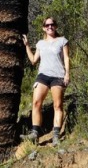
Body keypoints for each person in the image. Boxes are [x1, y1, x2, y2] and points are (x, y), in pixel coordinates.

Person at [22, 17, 70, 147]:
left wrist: (67, 74)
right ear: (44, 28)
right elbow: (33, 60)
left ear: (56, 26)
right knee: (36, 103)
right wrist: (27, 46)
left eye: (52, 24)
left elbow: (66, 58)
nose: (50, 26)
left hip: (57, 76)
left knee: (58, 106)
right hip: (43, 76)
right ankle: (35, 134)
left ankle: (56, 136)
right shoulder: (40, 44)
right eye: (47, 25)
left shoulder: (62, 41)